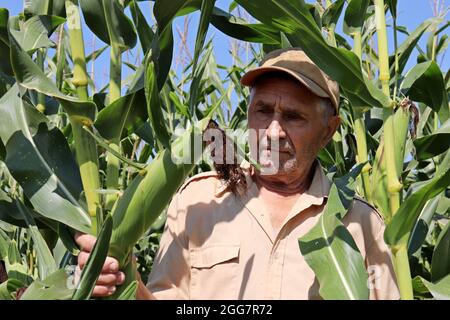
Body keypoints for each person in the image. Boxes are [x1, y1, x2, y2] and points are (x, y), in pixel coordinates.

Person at [75, 48, 400, 300]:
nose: (272, 131)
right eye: (262, 110)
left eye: (293, 116)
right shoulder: (198, 201)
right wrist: (119, 269)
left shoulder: (361, 225)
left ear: (329, 130)